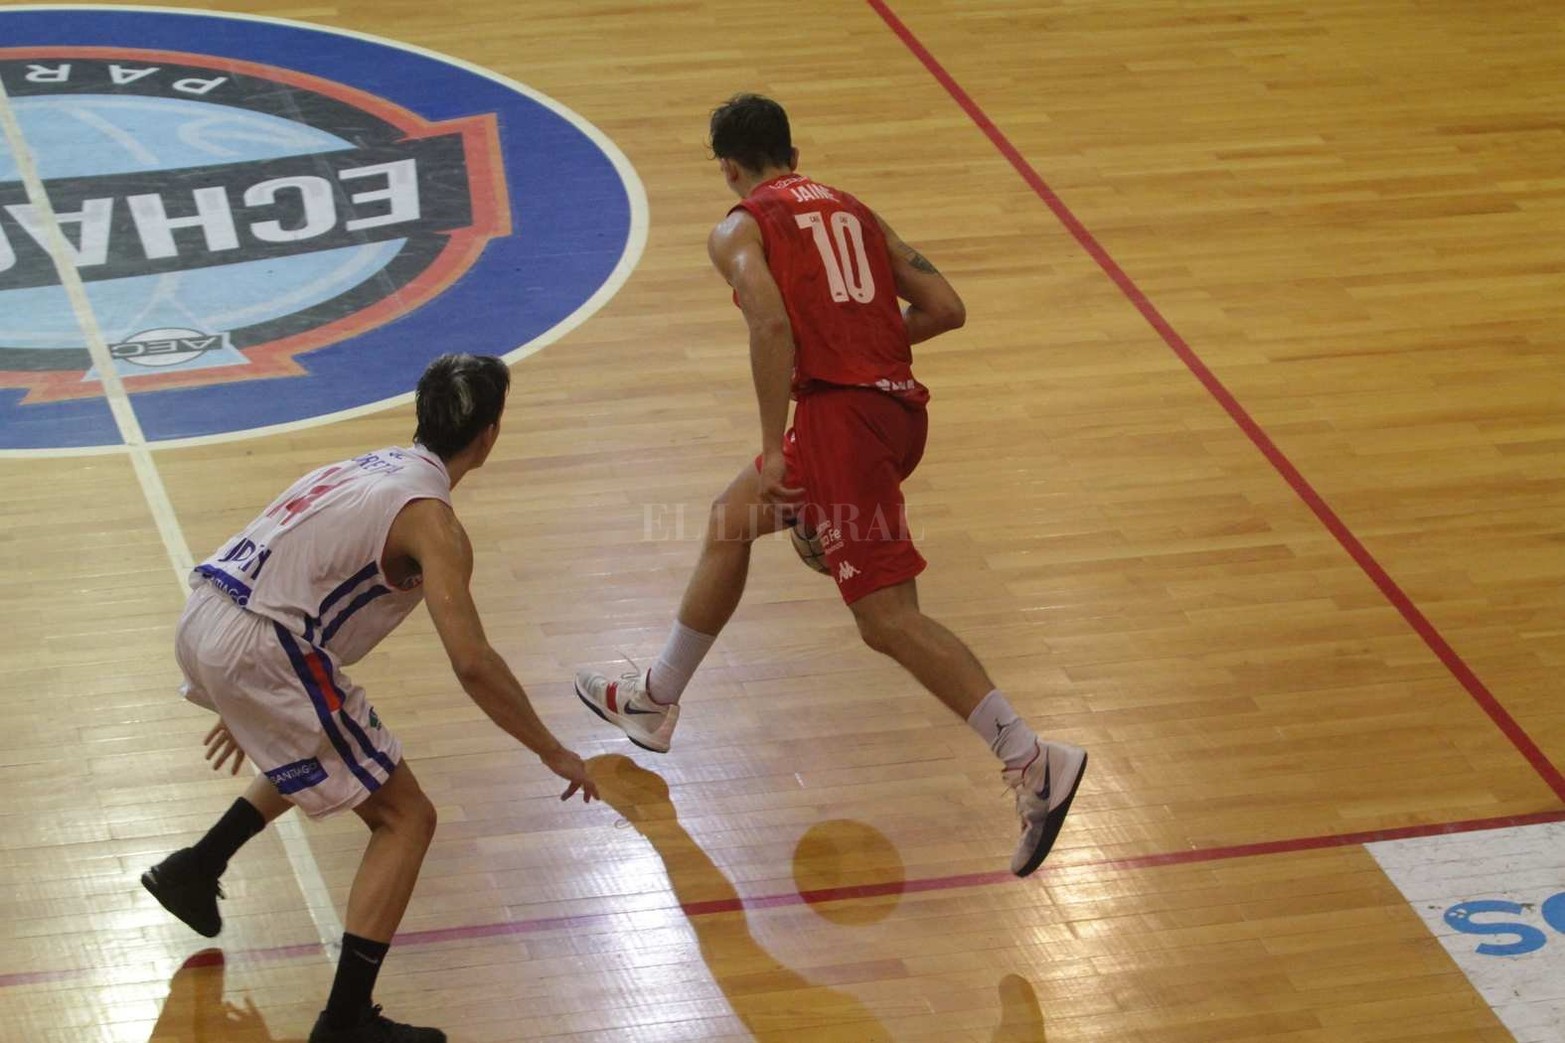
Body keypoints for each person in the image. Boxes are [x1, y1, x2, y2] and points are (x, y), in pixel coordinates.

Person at [575, 95, 1087, 879]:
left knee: (886, 619)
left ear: (729, 167)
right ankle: (655, 694)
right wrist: (865, 348)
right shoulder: (855, 211)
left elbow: (770, 326)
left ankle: (1030, 757)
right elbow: (945, 308)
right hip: (893, 412)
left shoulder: (740, 227)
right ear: (793, 152)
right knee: (730, 519)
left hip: (839, 422)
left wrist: (771, 443)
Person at [141, 354, 599, 1043]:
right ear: (489, 435)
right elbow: (473, 663)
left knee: (330, 742)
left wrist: (246, 688)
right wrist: (553, 750)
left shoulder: (365, 466)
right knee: (407, 817)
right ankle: (346, 1020)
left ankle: (195, 867)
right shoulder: (434, 524)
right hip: (263, 645)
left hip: (209, 610)